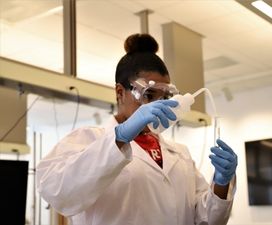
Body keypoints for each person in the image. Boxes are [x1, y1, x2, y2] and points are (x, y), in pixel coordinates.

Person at [36, 33, 238, 225]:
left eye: (164, 97)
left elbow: (205, 220)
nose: (158, 105)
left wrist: (221, 183)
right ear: (120, 92)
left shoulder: (180, 154)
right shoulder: (87, 140)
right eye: (149, 95)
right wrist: (121, 137)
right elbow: (57, 191)